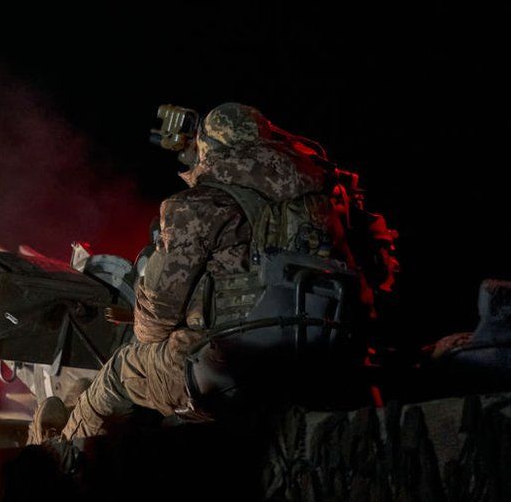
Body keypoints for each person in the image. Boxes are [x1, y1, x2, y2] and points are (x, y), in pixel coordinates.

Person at [50, 102, 397, 440]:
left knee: (117, 375)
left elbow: (155, 318)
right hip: (325, 365)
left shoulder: (197, 204)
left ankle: (58, 465)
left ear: (211, 148)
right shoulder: (326, 200)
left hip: (231, 368)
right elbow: (379, 278)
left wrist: (156, 325)